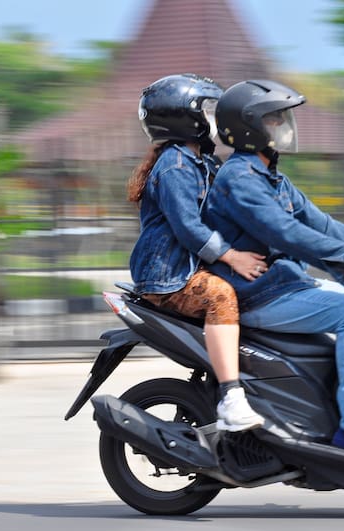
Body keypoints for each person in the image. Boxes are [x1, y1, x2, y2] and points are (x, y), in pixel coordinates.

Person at [203, 79, 344, 459]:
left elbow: (320, 223)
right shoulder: (239, 179)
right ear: (249, 127)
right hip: (259, 293)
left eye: (283, 118)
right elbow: (287, 233)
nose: (285, 126)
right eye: (275, 119)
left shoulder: (271, 177)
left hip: (285, 284)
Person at [127, 73, 267, 432]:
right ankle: (233, 398)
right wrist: (233, 256)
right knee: (221, 297)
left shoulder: (202, 161)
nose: (216, 121)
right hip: (168, 275)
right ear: (184, 119)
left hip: (189, 266)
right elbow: (188, 227)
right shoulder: (175, 165)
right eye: (208, 112)